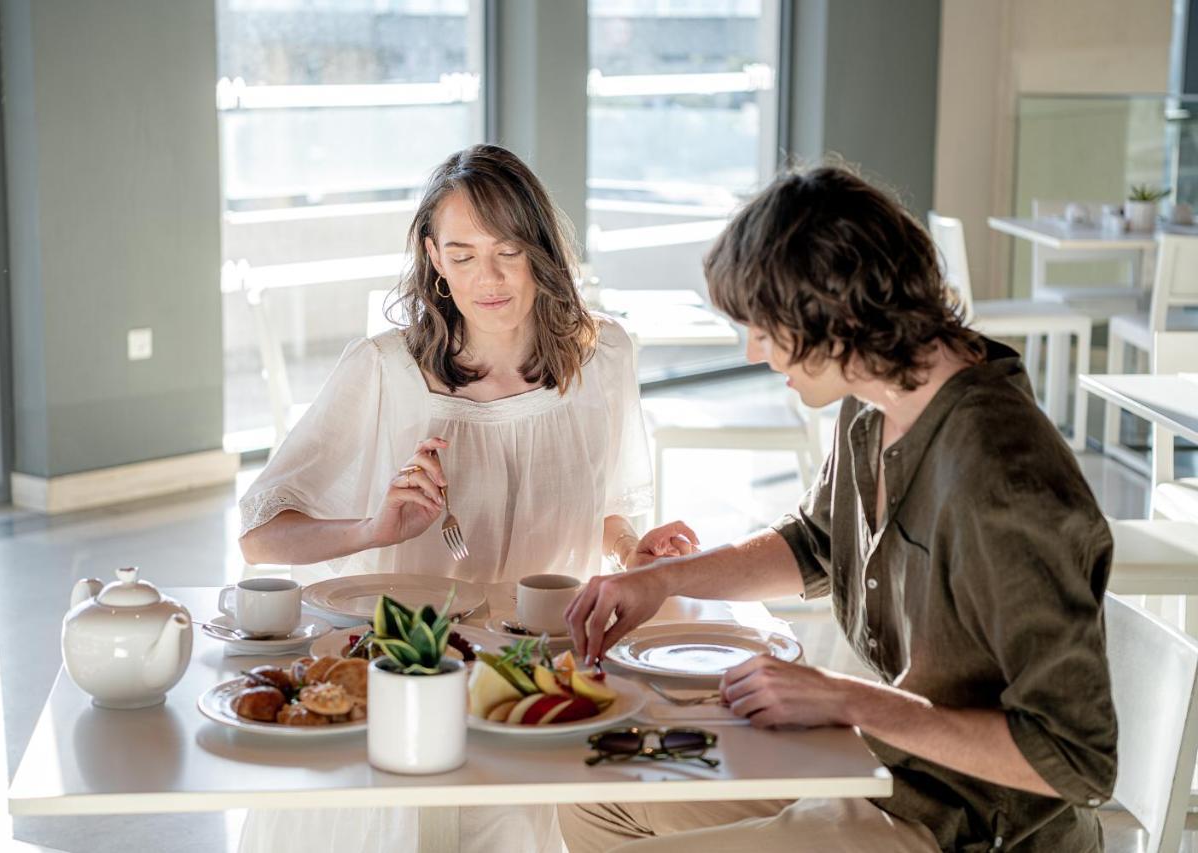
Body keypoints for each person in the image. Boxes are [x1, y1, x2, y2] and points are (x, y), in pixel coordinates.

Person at [561, 165, 1117, 853]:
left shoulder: (1005, 476)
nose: (754, 351)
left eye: (765, 327)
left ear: (834, 313)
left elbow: (1077, 758)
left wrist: (845, 697)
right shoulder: (873, 399)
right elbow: (816, 543)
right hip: (883, 772)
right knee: (595, 796)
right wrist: (663, 580)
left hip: (969, 828)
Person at [236, 143, 697, 853]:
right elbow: (262, 536)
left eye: (509, 250)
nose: (488, 277)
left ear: (541, 251)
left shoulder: (607, 359)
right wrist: (374, 526)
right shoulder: (384, 370)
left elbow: (611, 511)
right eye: (462, 252)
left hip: (543, 686)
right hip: (411, 682)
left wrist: (638, 551)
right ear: (432, 257)